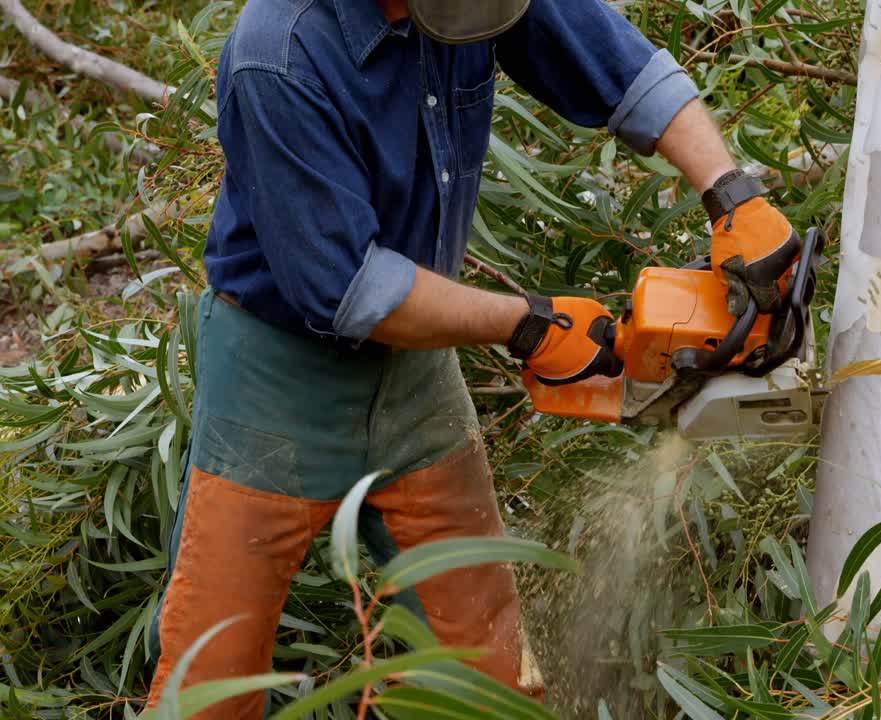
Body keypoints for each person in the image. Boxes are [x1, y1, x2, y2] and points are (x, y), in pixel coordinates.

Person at [144, 0, 800, 715]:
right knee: (208, 681)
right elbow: (349, 290)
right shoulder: (278, 51)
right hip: (275, 383)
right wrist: (529, 326)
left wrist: (732, 195)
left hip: (417, 376)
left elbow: (625, 69)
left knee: (489, 675)